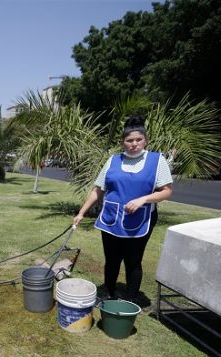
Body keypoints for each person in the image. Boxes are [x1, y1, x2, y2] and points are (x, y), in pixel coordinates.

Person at [72, 116, 173, 303]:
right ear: (122, 142)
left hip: (140, 219)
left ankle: (131, 299)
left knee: (133, 261)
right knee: (112, 259)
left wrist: (143, 199)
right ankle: (108, 292)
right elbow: (98, 189)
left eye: (138, 140)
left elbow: (166, 191)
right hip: (111, 218)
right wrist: (82, 212)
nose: (134, 144)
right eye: (129, 140)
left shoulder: (157, 160)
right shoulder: (113, 160)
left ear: (145, 140)